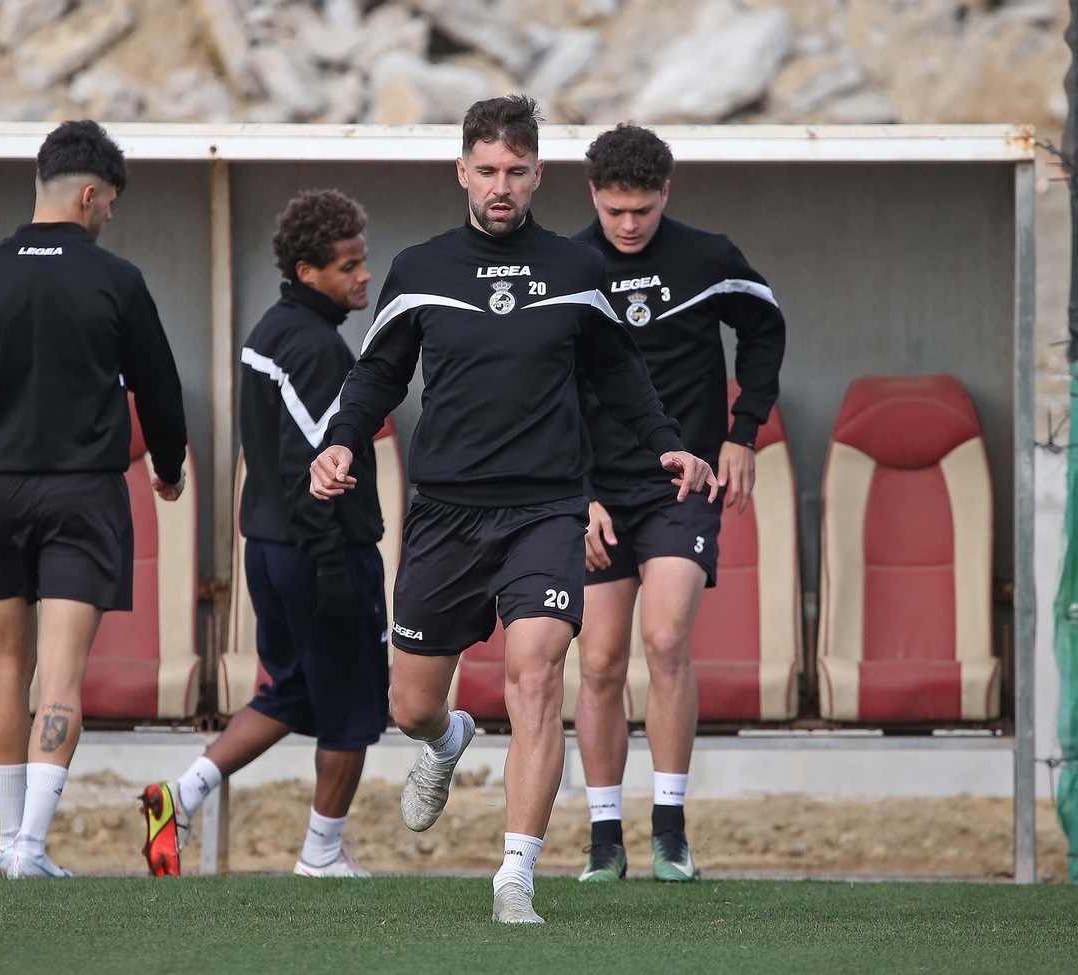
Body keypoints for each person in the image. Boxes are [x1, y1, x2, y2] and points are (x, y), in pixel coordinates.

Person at [309, 96, 717, 923]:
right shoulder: (421, 267)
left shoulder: (576, 269)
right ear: (462, 171)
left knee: (536, 677)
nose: (502, 185)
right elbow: (379, 374)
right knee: (411, 703)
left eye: (517, 171)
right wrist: (342, 440)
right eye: (487, 170)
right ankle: (443, 741)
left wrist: (667, 440)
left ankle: (515, 876)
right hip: (447, 512)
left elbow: (620, 373)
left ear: (539, 174)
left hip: (546, 511)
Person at [0, 120, 189, 880]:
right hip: (84, 492)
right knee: (60, 675)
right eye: (110, 204)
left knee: (8, 662)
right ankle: (29, 848)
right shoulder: (117, 281)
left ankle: (5, 841)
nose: (109, 217)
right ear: (89, 195)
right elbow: (159, 386)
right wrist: (171, 463)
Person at [140, 189, 386, 879]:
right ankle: (321, 855)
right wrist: (335, 571)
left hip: (272, 554)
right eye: (347, 266)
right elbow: (305, 470)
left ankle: (179, 796)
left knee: (294, 692)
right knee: (351, 708)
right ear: (307, 271)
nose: (363, 275)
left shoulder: (270, 331)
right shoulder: (317, 350)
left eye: (363, 261)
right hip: (317, 554)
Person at [571, 124, 786, 883]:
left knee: (664, 639)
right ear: (593, 195)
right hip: (597, 495)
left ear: (667, 193)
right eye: (614, 210)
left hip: (680, 486)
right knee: (597, 660)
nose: (628, 225)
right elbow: (544, 385)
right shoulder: (569, 265)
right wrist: (576, 494)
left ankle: (669, 827)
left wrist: (742, 433)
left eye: (643, 210)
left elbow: (765, 328)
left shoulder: (707, 257)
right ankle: (604, 837)